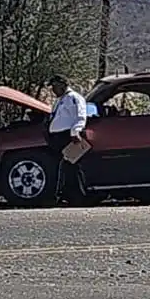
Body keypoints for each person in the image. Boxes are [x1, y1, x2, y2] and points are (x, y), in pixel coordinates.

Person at [46, 75, 88, 203]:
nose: (53, 90)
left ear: (63, 84)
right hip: (56, 137)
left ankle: (78, 196)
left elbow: (80, 116)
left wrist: (75, 131)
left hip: (68, 136)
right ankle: (65, 195)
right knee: (62, 167)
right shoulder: (60, 100)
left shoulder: (74, 98)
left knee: (71, 165)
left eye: (55, 86)